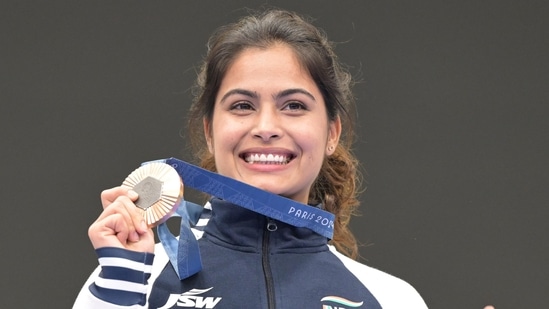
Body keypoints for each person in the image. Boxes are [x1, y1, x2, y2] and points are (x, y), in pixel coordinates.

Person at [74, 9, 428, 308]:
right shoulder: (134, 277)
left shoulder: (392, 298)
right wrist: (120, 287)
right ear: (211, 132)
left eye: (294, 106)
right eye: (242, 106)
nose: (266, 126)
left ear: (332, 133)